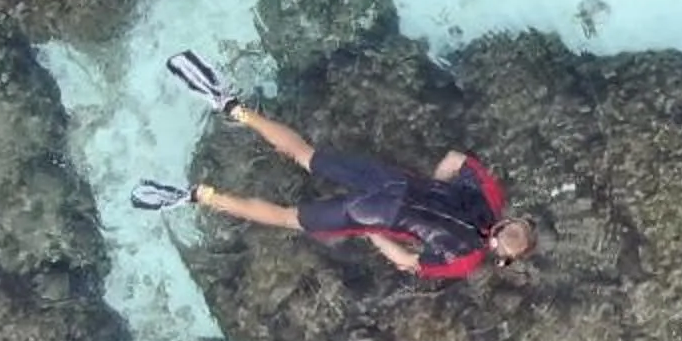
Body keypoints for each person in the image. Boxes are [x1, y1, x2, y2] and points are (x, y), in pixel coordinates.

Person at [136, 55, 537, 281]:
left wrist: (430, 187)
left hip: (392, 182)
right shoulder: (464, 260)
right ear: (501, 257)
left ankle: (233, 108)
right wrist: (374, 235)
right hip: (373, 214)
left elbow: (455, 158)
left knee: (305, 154)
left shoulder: (490, 196)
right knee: (287, 217)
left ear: (509, 220)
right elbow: (407, 262)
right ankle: (198, 195)